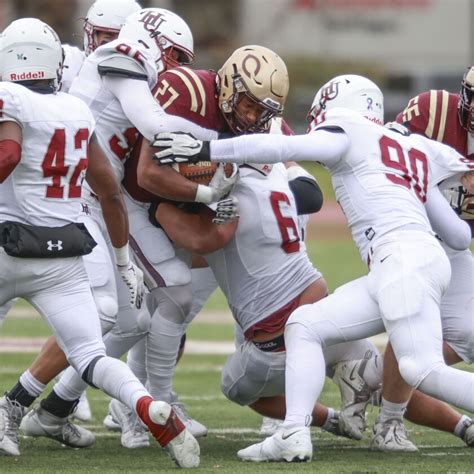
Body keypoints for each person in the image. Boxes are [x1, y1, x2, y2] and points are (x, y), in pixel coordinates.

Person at [153, 74, 474, 462]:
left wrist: (207, 147)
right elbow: (458, 236)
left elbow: (284, 144)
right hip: (411, 261)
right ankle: (294, 432)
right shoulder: (415, 147)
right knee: (304, 325)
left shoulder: (351, 132)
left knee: (421, 369)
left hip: (402, 261)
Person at [15, 7, 226, 451]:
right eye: (175, 59)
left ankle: (56, 410)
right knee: (110, 310)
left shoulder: (127, 63)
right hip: (79, 203)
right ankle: (17, 405)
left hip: (107, 199)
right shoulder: (122, 54)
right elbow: (155, 124)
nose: (177, 73)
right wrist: (222, 149)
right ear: (158, 44)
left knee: (141, 314)